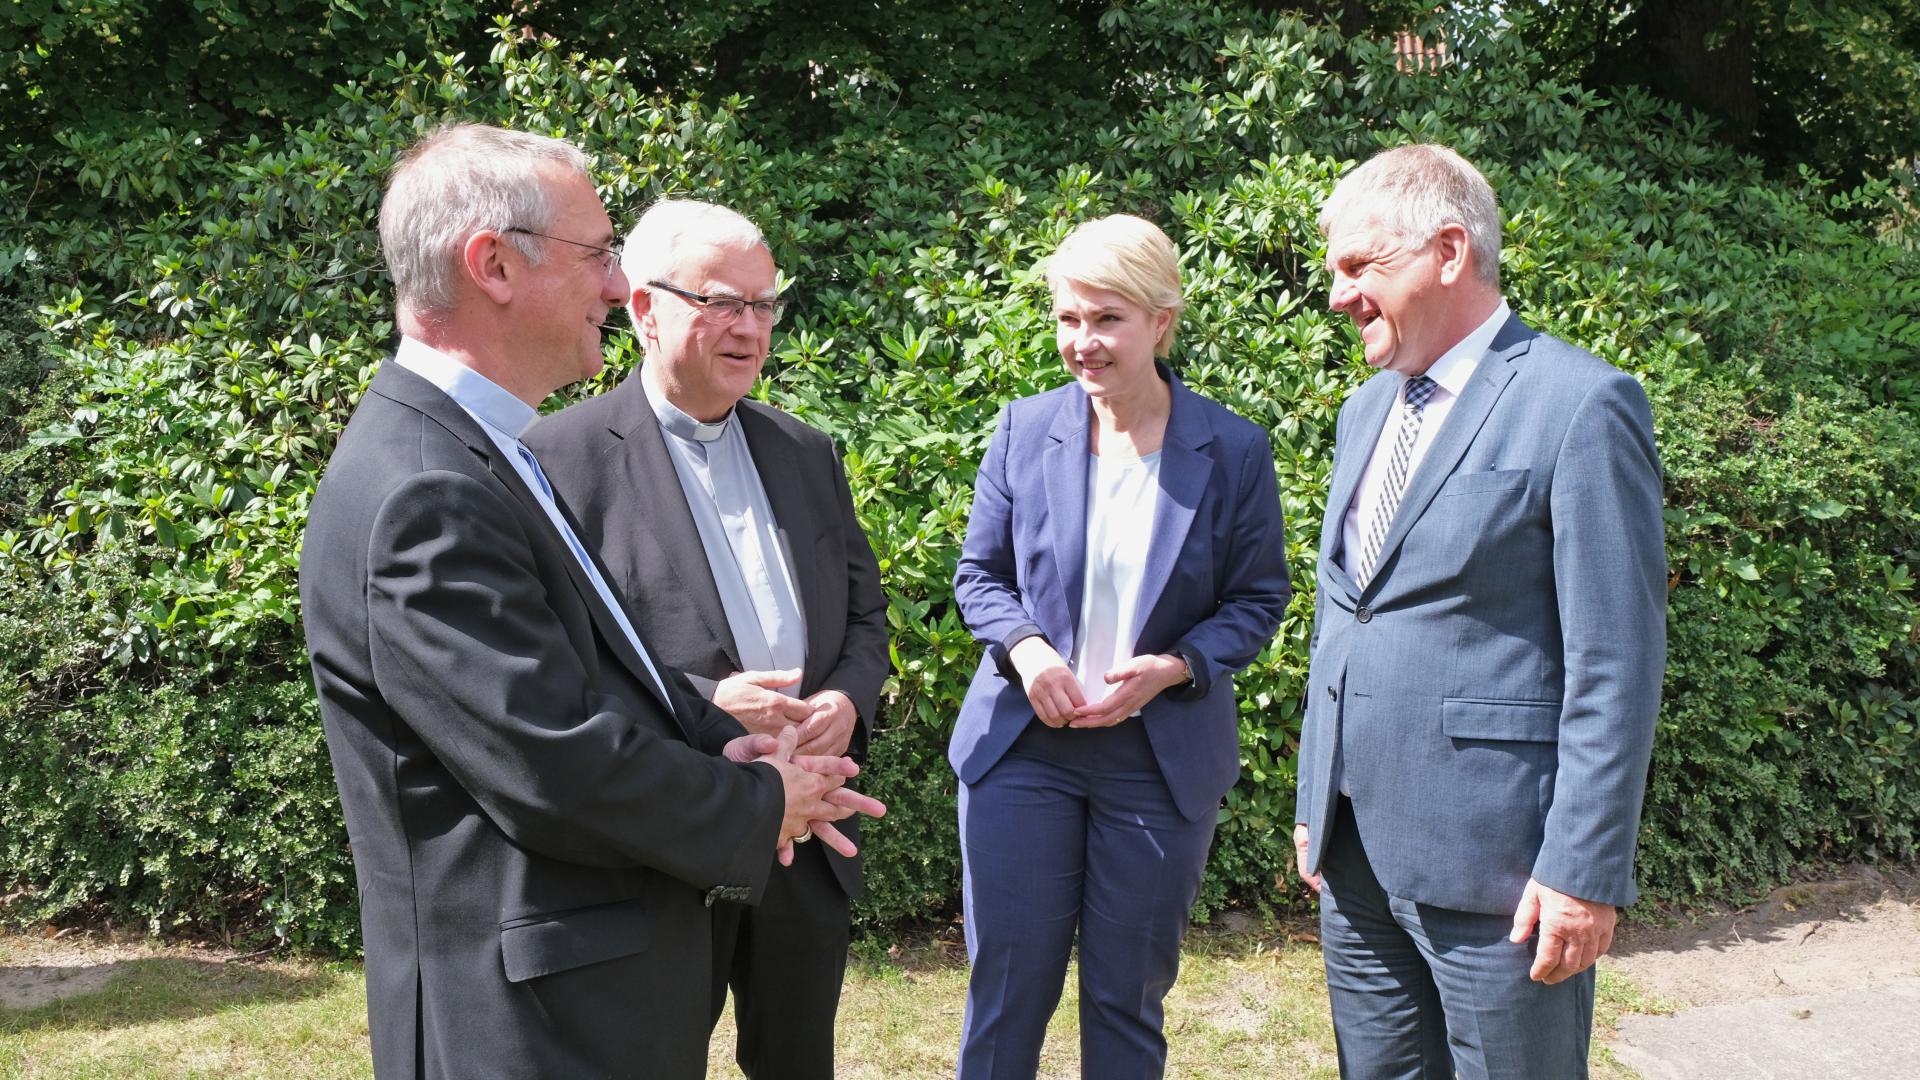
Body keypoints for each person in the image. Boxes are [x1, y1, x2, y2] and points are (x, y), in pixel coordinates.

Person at [299, 123, 881, 1080]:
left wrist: (712, 731)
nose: (619, 288)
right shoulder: (427, 489)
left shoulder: (482, 450)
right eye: (601, 254)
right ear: (491, 265)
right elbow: (554, 760)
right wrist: (760, 797)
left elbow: (585, 681)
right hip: (531, 1025)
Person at [1292, 143, 1667, 1078]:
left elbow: (1615, 661)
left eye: (1357, 267)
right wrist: (1315, 791)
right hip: (1356, 856)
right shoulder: (1363, 413)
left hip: (1504, 871)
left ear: (1449, 252)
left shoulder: (1582, 404)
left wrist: (1582, 867)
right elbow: (1348, 612)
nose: (1338, 295)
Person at [524, 199, 889, 1080]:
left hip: (807, 833)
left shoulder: (806, 450)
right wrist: (702, 707)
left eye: (765, 305)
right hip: (667, 843)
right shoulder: (555, 459)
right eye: (723, 302)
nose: (750, 328)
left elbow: (866, 615)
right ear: (645, 310)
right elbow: (555, 666)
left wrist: (846, 699)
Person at [948, 214, 1292, 1078]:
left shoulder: (1235, 449)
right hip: (1024, 752)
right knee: (1006, 994)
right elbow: (979, 578)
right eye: (1068, 318)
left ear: (1161, 321)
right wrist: (1028, 651)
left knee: (1126, 998)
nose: (1082, 341)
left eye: (1106, 319)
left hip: (1158, 760)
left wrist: (1177, 667)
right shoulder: (1024, 429)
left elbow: (1258, 600)